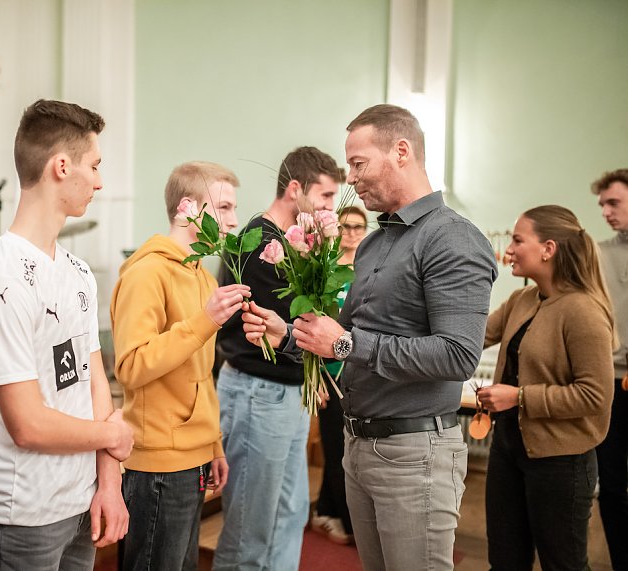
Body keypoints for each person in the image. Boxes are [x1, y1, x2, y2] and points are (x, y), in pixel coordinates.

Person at [242, 104, 497, 570]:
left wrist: (344, 343)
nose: (352, 179)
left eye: (359, 164)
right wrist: (287, 335)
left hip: (414, 453)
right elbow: (348, 337)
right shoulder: (376, 244)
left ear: (401, 151)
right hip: (361, 446)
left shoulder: (451, 238)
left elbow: (459, 355)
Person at [0, 100, 132, 570]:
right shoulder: (1, 275)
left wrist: (109, 483)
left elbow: (94, 383)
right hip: (22, 517)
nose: (100, 182)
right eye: (95, 166)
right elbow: (27, 424)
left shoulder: (79, 273)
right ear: (62, 166)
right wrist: (111, 435)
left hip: (81, 505)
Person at [110, 161, 249, 570]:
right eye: (223, 208)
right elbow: (132, 365)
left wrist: (213, 443)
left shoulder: (202, 276)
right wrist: (204, 321)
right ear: (187, 208)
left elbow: (200, 373)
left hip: (193, 454)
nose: (234, 221)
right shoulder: (147, 272)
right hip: (158, 461)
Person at [213, 146, 341, 570]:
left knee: (290, 515)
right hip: (257, 391)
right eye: (324, 198)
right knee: (250, 529)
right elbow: (275, 330)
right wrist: (312, 365)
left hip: (285, 392)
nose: (328, 209)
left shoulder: (296, 246)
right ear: (294, 189)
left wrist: (312, 372)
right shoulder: (258, 244)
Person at [476, 205, 615, 570]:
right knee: (505, 560)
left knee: (563, 564)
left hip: (560, 464)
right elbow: (470, 338)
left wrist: (519, 397)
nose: (509, 249)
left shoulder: (583, 311)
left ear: (548, 249)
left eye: (518, 240)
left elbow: (595, 395)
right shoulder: (522, 300)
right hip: (508, 450)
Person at [311, 205, 368, 545]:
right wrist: (315, 375)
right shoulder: (325, 271)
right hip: (330, 376)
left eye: (357, 226)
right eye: (344, 226)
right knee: (337, 450)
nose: (350, 232)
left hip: (360, 376)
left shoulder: (368, 270)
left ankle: (324, 511)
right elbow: (313, 325)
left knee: (349, 448)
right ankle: (349, 525)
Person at [590, 169, 628, 570]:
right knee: (613, 487)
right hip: (612, 383)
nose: (604, 211)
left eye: (612, 202)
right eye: (601, 204)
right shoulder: (598, 254)